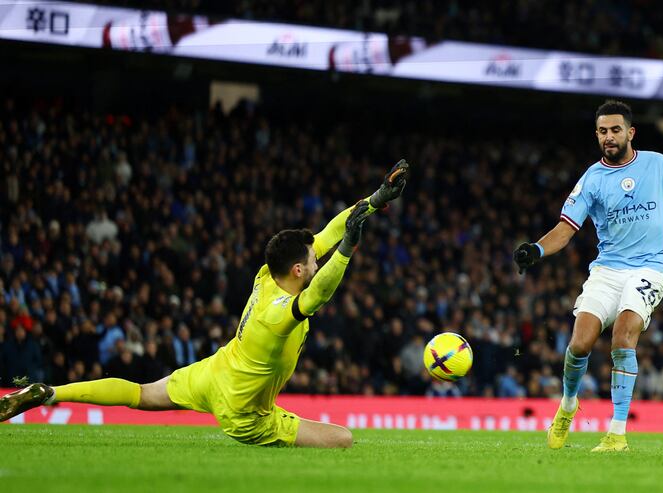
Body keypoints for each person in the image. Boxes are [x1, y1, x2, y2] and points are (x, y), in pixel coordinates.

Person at [0, 160, 410, 448]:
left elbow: (329, 230)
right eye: (314, 258)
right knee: (344, 439)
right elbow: (320, 293)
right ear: (299, 272)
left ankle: (51, 391)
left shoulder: (269, 275)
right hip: (244, 412)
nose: (318, 256)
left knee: (141, 395)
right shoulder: (276, 315)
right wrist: (348, 250)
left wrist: (373, 200)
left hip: (217, 370)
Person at [513, 100, 663, 452]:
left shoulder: (657, 165)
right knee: (579, 343)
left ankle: (616, 434)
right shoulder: (592, 179)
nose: (608, 137)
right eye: (602, 132)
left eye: (615, 130)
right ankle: (568, 405)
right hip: (608, 269)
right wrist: (535, 249)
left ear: (631, 132)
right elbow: (565, 228)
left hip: (650, 267)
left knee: (623, 337)